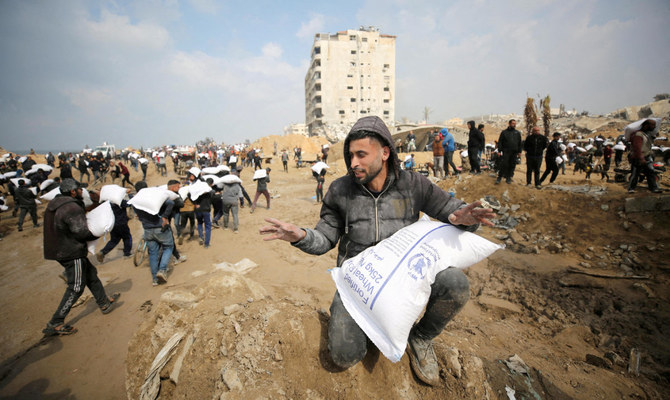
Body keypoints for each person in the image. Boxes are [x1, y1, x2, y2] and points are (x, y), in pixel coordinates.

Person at [259, 116, 495, 386]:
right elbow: (325, 238)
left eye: (361, 155)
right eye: (351, 155)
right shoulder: (340, 191)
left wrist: (464, 219)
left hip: (404, 279)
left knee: (455, 284)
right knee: (344, 354)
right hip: (358, 286)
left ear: (385, 153)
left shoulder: (414, 184)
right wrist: (300, 236)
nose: (353, 163)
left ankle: (421, 338)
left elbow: (453, 211)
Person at [42, 178, 120, 336]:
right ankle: (56, 322)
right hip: (70, 252)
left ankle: (103, 302)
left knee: (91, 275)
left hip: (58, 248)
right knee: (76, 286)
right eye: (78, 189)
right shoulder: (71, 208)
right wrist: (97, 230)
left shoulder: (55, 204)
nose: (81, 192)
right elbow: (81, 231)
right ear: (72, 191)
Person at [133, 184, 175, 285]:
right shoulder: (155, 197)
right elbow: (170, 203)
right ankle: (162, 270)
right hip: (160, 228)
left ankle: (154, 279)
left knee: (153, 253)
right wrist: (165, 216)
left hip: (147, 230)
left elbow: (137, 214)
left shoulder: (137, 200)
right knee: (168, 247)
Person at [96, 190, 132, 262]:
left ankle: (103, 252)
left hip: (112, 224)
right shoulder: (119, 201)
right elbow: (129, 204)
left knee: (114, 240)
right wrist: (130, 196)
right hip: (122, 223)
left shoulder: (107, 203)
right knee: (127, 237)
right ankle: (127, 253)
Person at [627, 119, 662, 194]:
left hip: (647, 156)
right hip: (638, 157)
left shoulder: (646, 134)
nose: (654, 127)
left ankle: (653, 188)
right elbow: (637, 147)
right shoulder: (638, 135)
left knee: (651, 172)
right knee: (635, 173)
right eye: (652, 125)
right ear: (646, 125)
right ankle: (631, 188)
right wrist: (641, 158)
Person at [496, 119, 522, 184]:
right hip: (506, 151)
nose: (514, 125)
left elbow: (520, 143)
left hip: (514, 152)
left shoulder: (517, 133)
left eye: (515, 123)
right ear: (509, 124)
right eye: (513, 123)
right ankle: (499, 177)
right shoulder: (504, 132)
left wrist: (519, 152)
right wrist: (499, 151)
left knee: (512, 165)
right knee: (504, 164)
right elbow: (500, 142)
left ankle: (508, 177)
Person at [194, 178, 213, 248]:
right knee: (208, 226)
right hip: (206, 210)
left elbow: (190, 195)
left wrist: (195, 204)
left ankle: (201, 237)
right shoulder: (210, 191)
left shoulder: (196, 191)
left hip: (198, 210)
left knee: (199, 223)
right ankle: (206, 244)